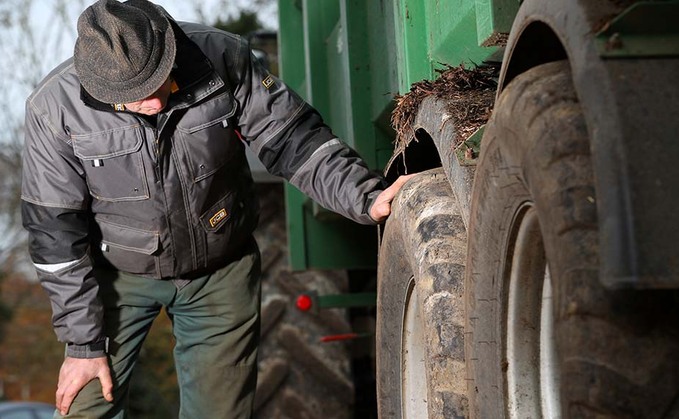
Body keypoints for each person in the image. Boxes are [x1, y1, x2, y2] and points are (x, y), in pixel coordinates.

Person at [21, 0, 413, 417]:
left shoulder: (221, 55)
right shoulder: (53, 109)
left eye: (158, 83)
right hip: (117, 276)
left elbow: (293, 139)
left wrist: (364, 195)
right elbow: (56, 237)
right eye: (134, 99)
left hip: (220, 268)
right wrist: (82, 344)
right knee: (85, 407)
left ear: (168, 50)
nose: (153, 104)